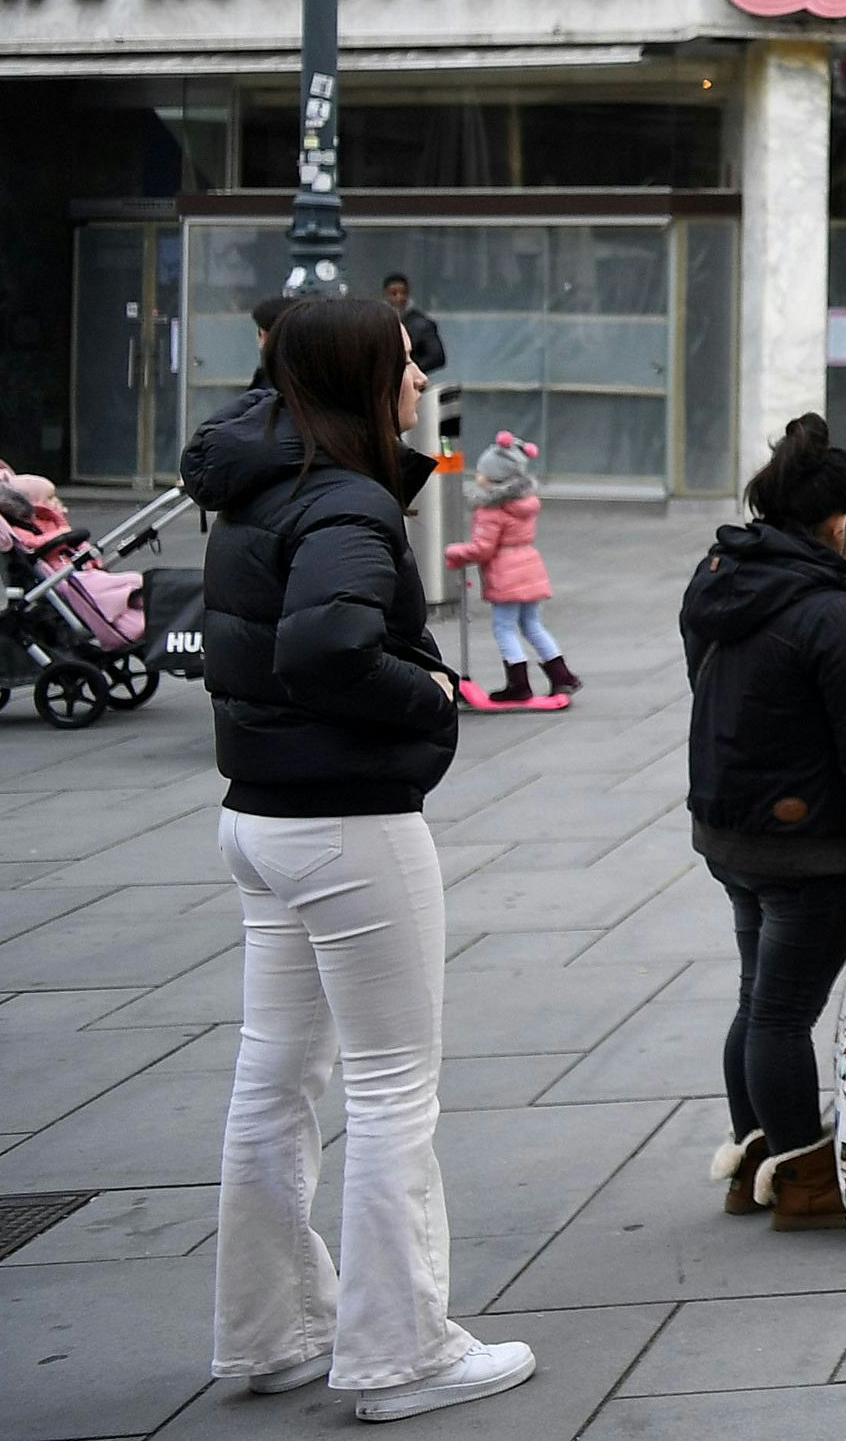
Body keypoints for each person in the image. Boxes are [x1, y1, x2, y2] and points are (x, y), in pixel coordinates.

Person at [193, 296, 539, 1421]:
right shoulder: (344, 499)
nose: (416, 381)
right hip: (345, 824)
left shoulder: (262, 484)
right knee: (393, 1090)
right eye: (401, 364)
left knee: (273, 1080)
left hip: (263, 817)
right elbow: (329, 644)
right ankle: (401, 1351)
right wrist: (430, 700)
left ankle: (271, 1331)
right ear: (358, 378)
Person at [681, 414, 846, 1233]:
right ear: (841, 524)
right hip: (807, 844)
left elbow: (731, 688)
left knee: (761, 998)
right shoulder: (835, 614)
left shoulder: (722, 573)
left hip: (731, 824)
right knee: (783, 1012)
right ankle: (801, 1177)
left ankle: (754, 1155)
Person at [440, 431, 576, 710]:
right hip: (529, 567)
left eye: (481, 471)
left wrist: (455, 553)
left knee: (504, 627)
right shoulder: (523, 504)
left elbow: (483, 548)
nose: (477, 475)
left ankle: (519, 685)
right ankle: (562, 676)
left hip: (506, 574)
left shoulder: (491, 509)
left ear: (494, 477)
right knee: (532, 624)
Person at [379, 273, 447, 378]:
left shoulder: (421, 324)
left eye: (403, 293)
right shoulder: (377, 321)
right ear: (385, 294)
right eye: (394, 293)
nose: (399, 298)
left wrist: (410, 370)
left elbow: (436, 356)